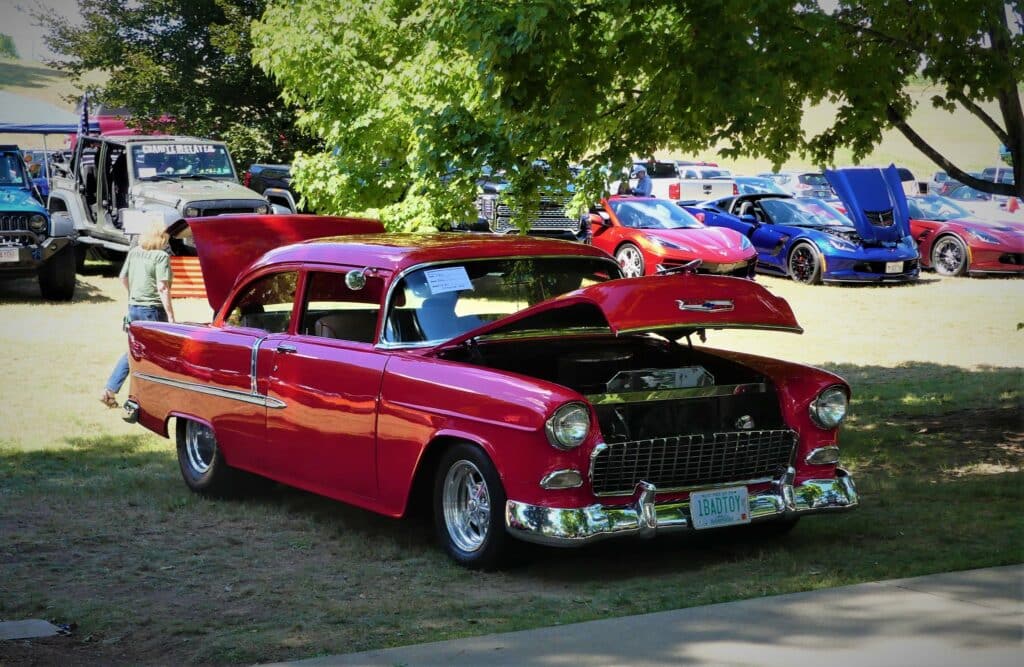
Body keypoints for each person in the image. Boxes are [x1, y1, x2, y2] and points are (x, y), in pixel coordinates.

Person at [100, 222, 175, 408]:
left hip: (134, 308)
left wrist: (133, 295)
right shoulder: (161, 257)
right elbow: (162, 287)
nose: (167, 242)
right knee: (159, 354)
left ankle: (109, 390)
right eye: (166, 238)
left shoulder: (134, 253)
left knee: (133, 351)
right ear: (161, 238)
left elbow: (122, 278)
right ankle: (157, 397)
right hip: (153, 310)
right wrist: (171, 316)